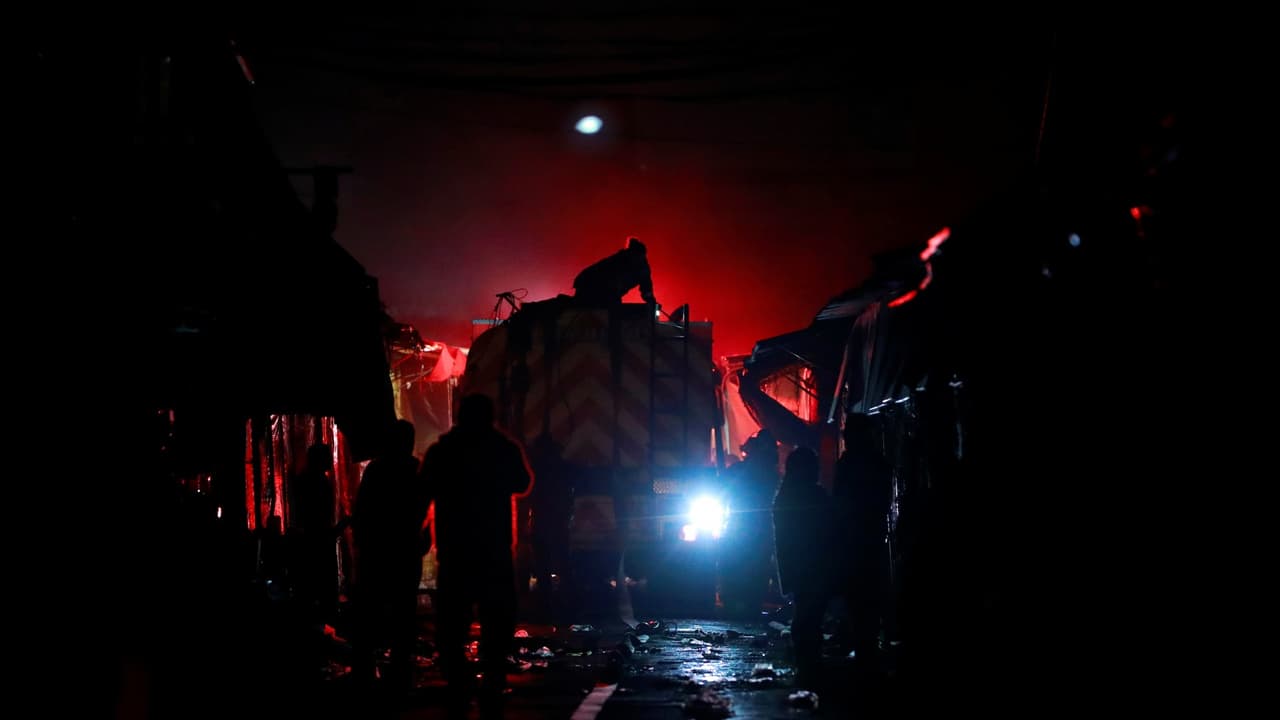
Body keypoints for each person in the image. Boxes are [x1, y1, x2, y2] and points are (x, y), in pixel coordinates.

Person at [421, 393, 534, 719]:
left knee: (451, 623)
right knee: (497, 619)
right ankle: (493, 679)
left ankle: (459, 680)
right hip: (493, 549)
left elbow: (422, 492)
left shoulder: (443, 451)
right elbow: (523, 483)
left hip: (455, 550)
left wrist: (419, 529)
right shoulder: (502, 449)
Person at [350, 420, 428, 694]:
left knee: (372, 608)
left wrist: (361, 542)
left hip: (378, 550)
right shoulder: (415, 470)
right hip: (405, 549)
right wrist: (421, 537)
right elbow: (422, 507)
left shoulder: (377, 469)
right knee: (404, 609)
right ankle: (399, 665)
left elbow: (363, 510)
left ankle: (367, 665)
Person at [832, 414, 894, 669]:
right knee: (867, 592)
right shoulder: (876, 462)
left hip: (856, 539)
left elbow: (840, 501)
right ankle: (867, 643)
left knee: (859, 593)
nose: (845, 437)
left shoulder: (850, 464)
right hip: (868, 538)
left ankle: (863, 643)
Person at [772, 446, 835, 690]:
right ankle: (810, 667)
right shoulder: (813, 496)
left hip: (798, 567)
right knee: (811, 617)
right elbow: (828, 531)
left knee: (805, 615)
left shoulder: (785, 496)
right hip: (814, 566)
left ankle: (806, 664)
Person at [720, 429, 781, 619]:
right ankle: (748, 606)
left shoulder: (740, 472)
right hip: (757, 530)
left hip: (742, 528)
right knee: (755, 569)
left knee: (738, 566)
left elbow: (721, 489)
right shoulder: (772, 476)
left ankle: (738, 605)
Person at [572, 237, 658, 306]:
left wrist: (651, 301)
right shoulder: (618, 260)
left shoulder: (642, 269)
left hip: (594, 286)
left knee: (609, 312)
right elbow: (610, 284)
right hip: (588, 285)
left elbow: (646, 288)